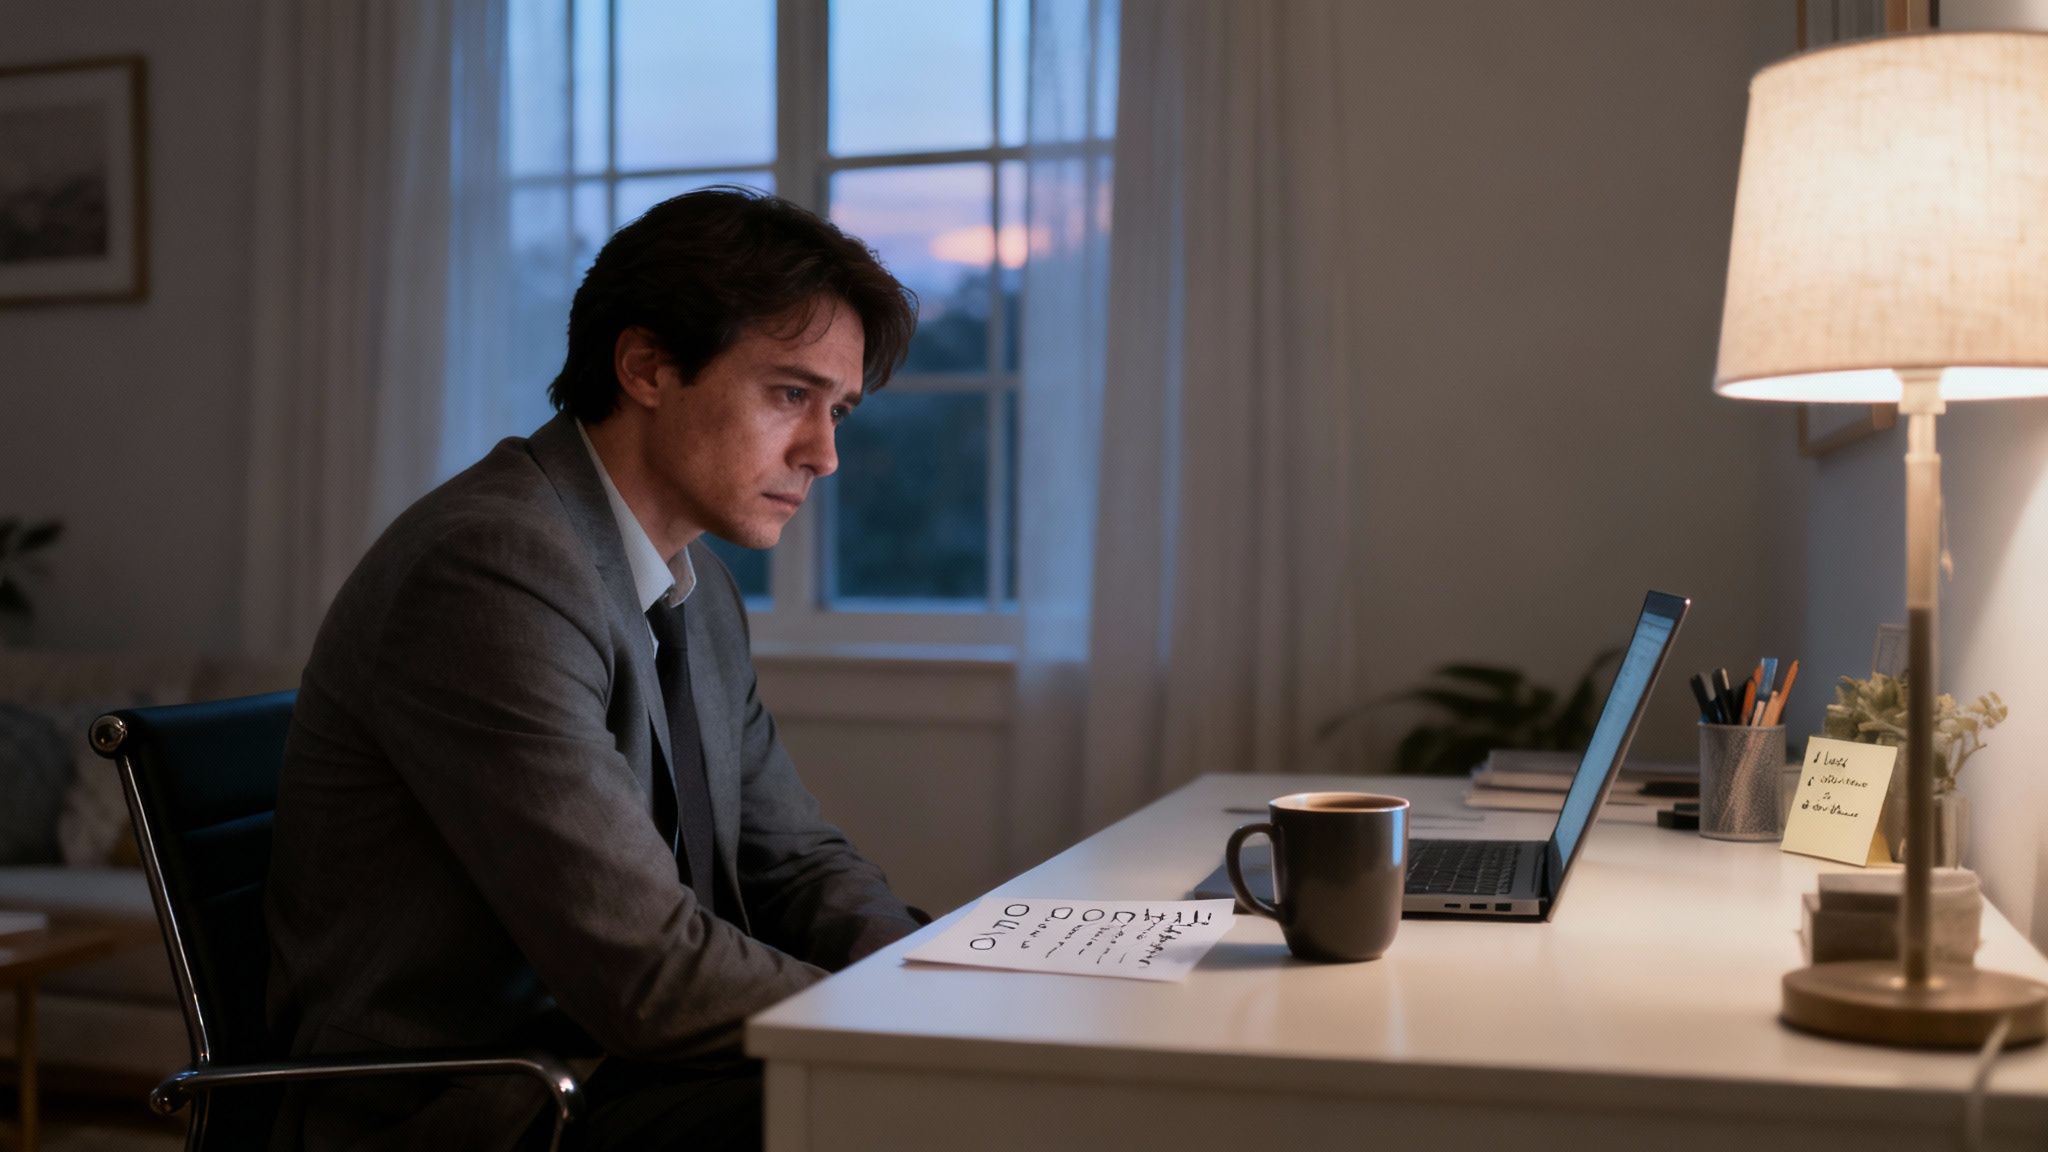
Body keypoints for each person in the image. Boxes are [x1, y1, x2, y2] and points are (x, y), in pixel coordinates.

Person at [265, 187, 926, 1152]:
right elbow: (645, 975)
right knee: (921, 1113)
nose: (824, 454)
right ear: (647, 366)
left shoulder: (698, 586)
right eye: (790, 394)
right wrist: (899, 1028)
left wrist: (927, 976)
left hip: (612, 1064)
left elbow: (793, 861)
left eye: (840, 410)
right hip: (480, 1103)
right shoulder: (490, 568)